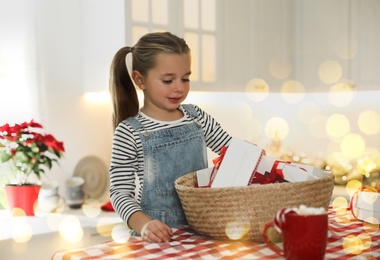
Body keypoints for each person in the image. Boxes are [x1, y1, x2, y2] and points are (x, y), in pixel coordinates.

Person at [109, 32, 231, 243]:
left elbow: (230, 150)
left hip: (201, 232)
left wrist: (255, 156)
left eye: (185, 78)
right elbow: (120, 193)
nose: (179, 88)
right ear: (140, 80)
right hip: (157, 240)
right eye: (168, 80)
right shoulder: (128, 132)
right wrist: (144, 225)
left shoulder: (197, 117)